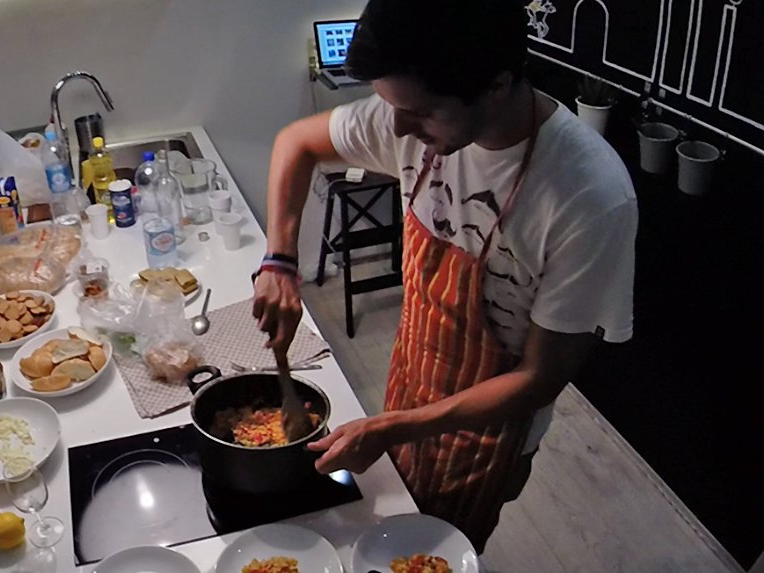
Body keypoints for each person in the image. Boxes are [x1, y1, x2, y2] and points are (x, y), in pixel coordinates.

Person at [252, 0, 637, 550]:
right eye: (392, 107)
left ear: (498, 84)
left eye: (423, 112)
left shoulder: (589, 197)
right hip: (413, 377)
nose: (399, 128)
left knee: (437, 551)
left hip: (490, 431)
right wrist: (280, 261)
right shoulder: (407, 118)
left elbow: (541, 378)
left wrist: (393, 427)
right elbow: (297, 143)